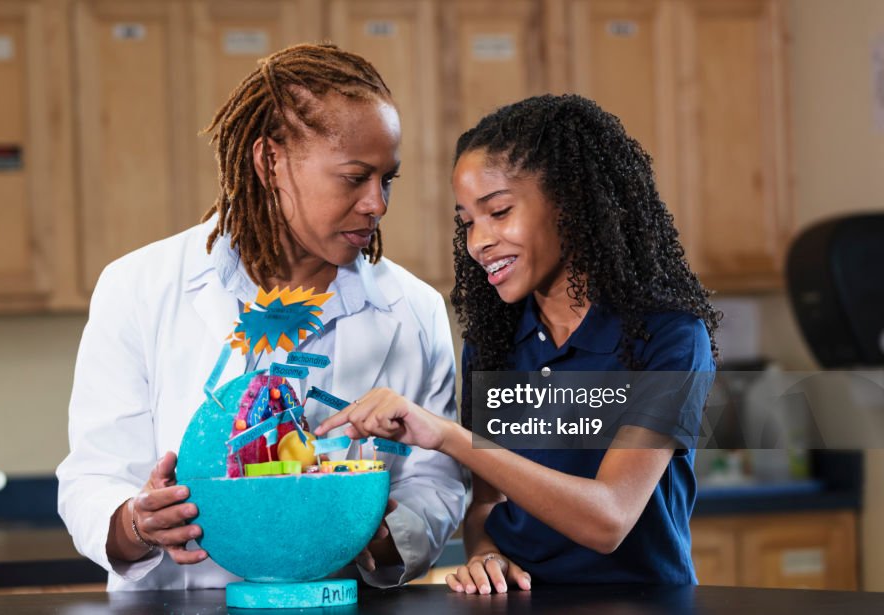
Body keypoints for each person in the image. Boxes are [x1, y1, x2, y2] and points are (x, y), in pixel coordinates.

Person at [56, 43, 465, 591]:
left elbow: (436, 482)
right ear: (269, 160)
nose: (377, 204)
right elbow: (94, 476)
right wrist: (139, 522)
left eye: (387, 179)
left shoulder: (413, 309)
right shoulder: (139, 288)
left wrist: (376, 529)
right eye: (354, 177)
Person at [316, 94, 719, 592]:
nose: (479, 241)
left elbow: (610, 518)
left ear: (571, 203)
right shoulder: (495, 342)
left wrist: (447, 436)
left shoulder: (669, 336)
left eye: (499, 212)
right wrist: (485, 554)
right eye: (467, 222)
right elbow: (487, 505)